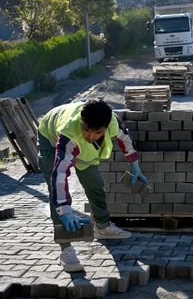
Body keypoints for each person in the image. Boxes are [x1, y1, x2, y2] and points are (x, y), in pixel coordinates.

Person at [38, 99, 148, 272]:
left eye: (97, 133)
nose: (90, 136)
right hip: (49, 137)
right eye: (87, 129)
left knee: (95, 183)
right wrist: (65, 211)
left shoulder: (113, 122)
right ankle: (65, 248)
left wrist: (135, 166)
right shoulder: (69, 133)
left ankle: (102, 227)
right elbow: (60, 175)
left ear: (105, 127)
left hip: (76, 142)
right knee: (56, 195)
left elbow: (125, 139)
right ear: (82, 122)